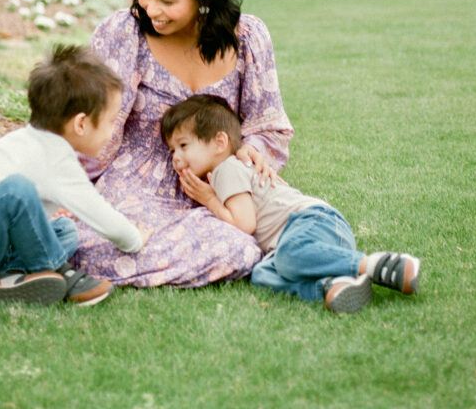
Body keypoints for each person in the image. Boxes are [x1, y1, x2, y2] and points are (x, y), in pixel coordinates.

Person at [72, 0, 293, 287]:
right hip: (136, 187)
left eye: (167, 0)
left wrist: (250, 151)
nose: (151, 8)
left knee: (239, 247)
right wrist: (64, 185)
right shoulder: (124, 34)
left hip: (220, 188)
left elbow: (268, 124)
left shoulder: (248, 38)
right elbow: (86, 122)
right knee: (100, 238)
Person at [0, 44, 147, 307]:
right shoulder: (55, 158)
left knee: (65, 231)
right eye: (111, 122)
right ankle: (60, 273)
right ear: (81, 124)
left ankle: (8, 281)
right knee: (17, 189)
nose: (113, 132)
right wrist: (134, 239)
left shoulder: (30, 141)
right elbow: (99, 213)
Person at [161, 93, 421, 313]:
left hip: (313, 223)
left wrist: (209, 200)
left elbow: (244, 225)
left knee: (288, 256)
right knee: (262, 274)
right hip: (309, 244)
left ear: (220, 142)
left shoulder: (226, 169)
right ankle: (334, 284)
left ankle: (377, 265)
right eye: (172, 150)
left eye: (183, 145)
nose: (176, 157)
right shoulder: (222, 172)